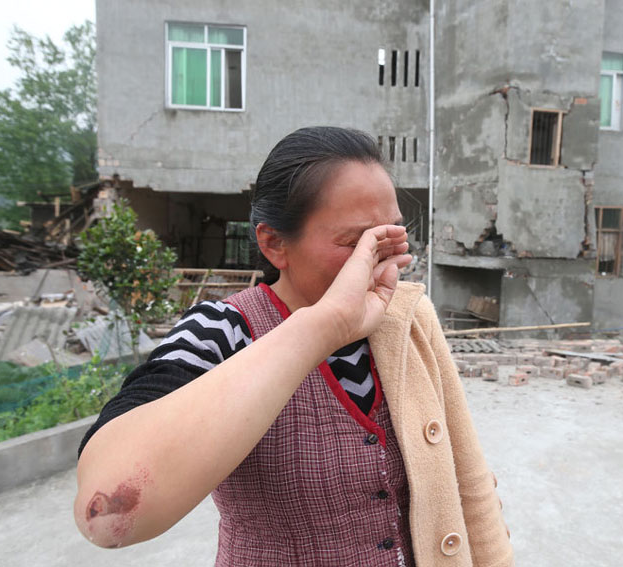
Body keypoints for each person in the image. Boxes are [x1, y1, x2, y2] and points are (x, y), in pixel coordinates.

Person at [74, 126, 513, 566]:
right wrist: (323, 326)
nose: (381, 259)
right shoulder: (222, 330)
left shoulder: (408, 319)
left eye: (391, 236)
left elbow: (469, 481)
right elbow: (110, 510)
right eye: (355, 243)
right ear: (274, 243)